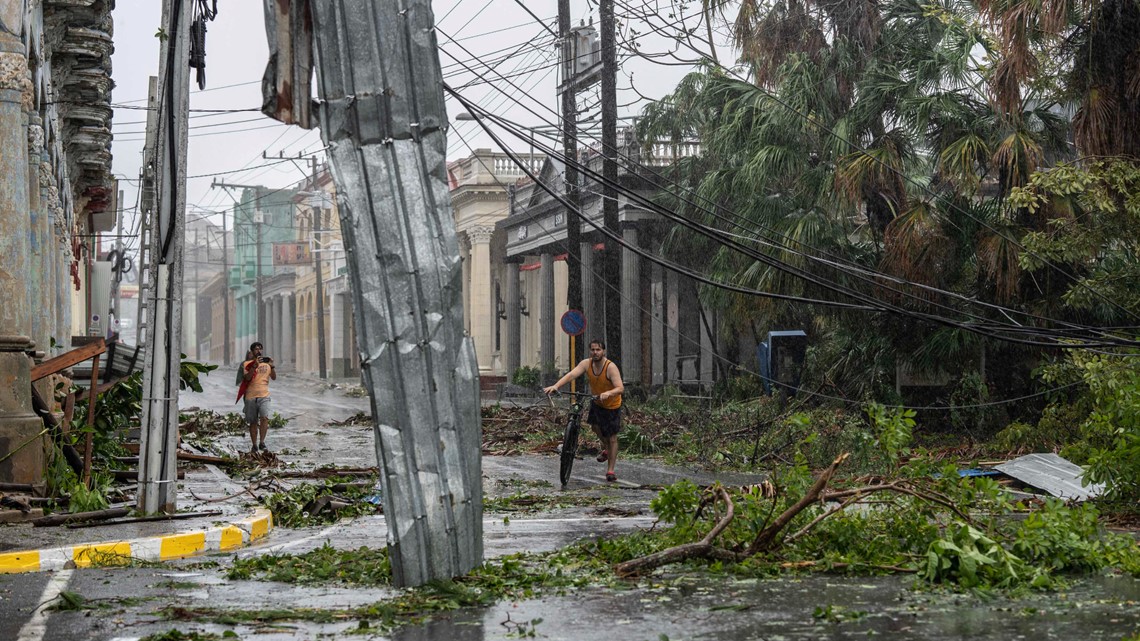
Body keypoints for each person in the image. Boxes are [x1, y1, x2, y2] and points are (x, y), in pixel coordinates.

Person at [543, 339, 625, 482]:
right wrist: (556, 386)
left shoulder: (610, 367)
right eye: (592, 350)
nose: (595, 352)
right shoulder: (586, 363)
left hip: (612, 405)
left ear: (603, 351)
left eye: (598, 350)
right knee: (595, 427)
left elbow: (620, 388)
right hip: (597, 403)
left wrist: (608, 393)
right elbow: (572, 375)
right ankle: (606, 449)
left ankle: (610, 470)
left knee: (612, 438)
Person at [240, 342, 276, 453]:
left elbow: (274, 377)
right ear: (252, 351)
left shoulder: (267, 364)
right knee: (253, 422)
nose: (258, 351)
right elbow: (247, 378)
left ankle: (262, 442)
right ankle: (254, 445)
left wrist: (272, 365)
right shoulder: (247, 364)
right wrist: (254, 366)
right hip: (250, 397)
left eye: (260, 349)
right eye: (256, 349)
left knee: (264, 418)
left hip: (264, 395)